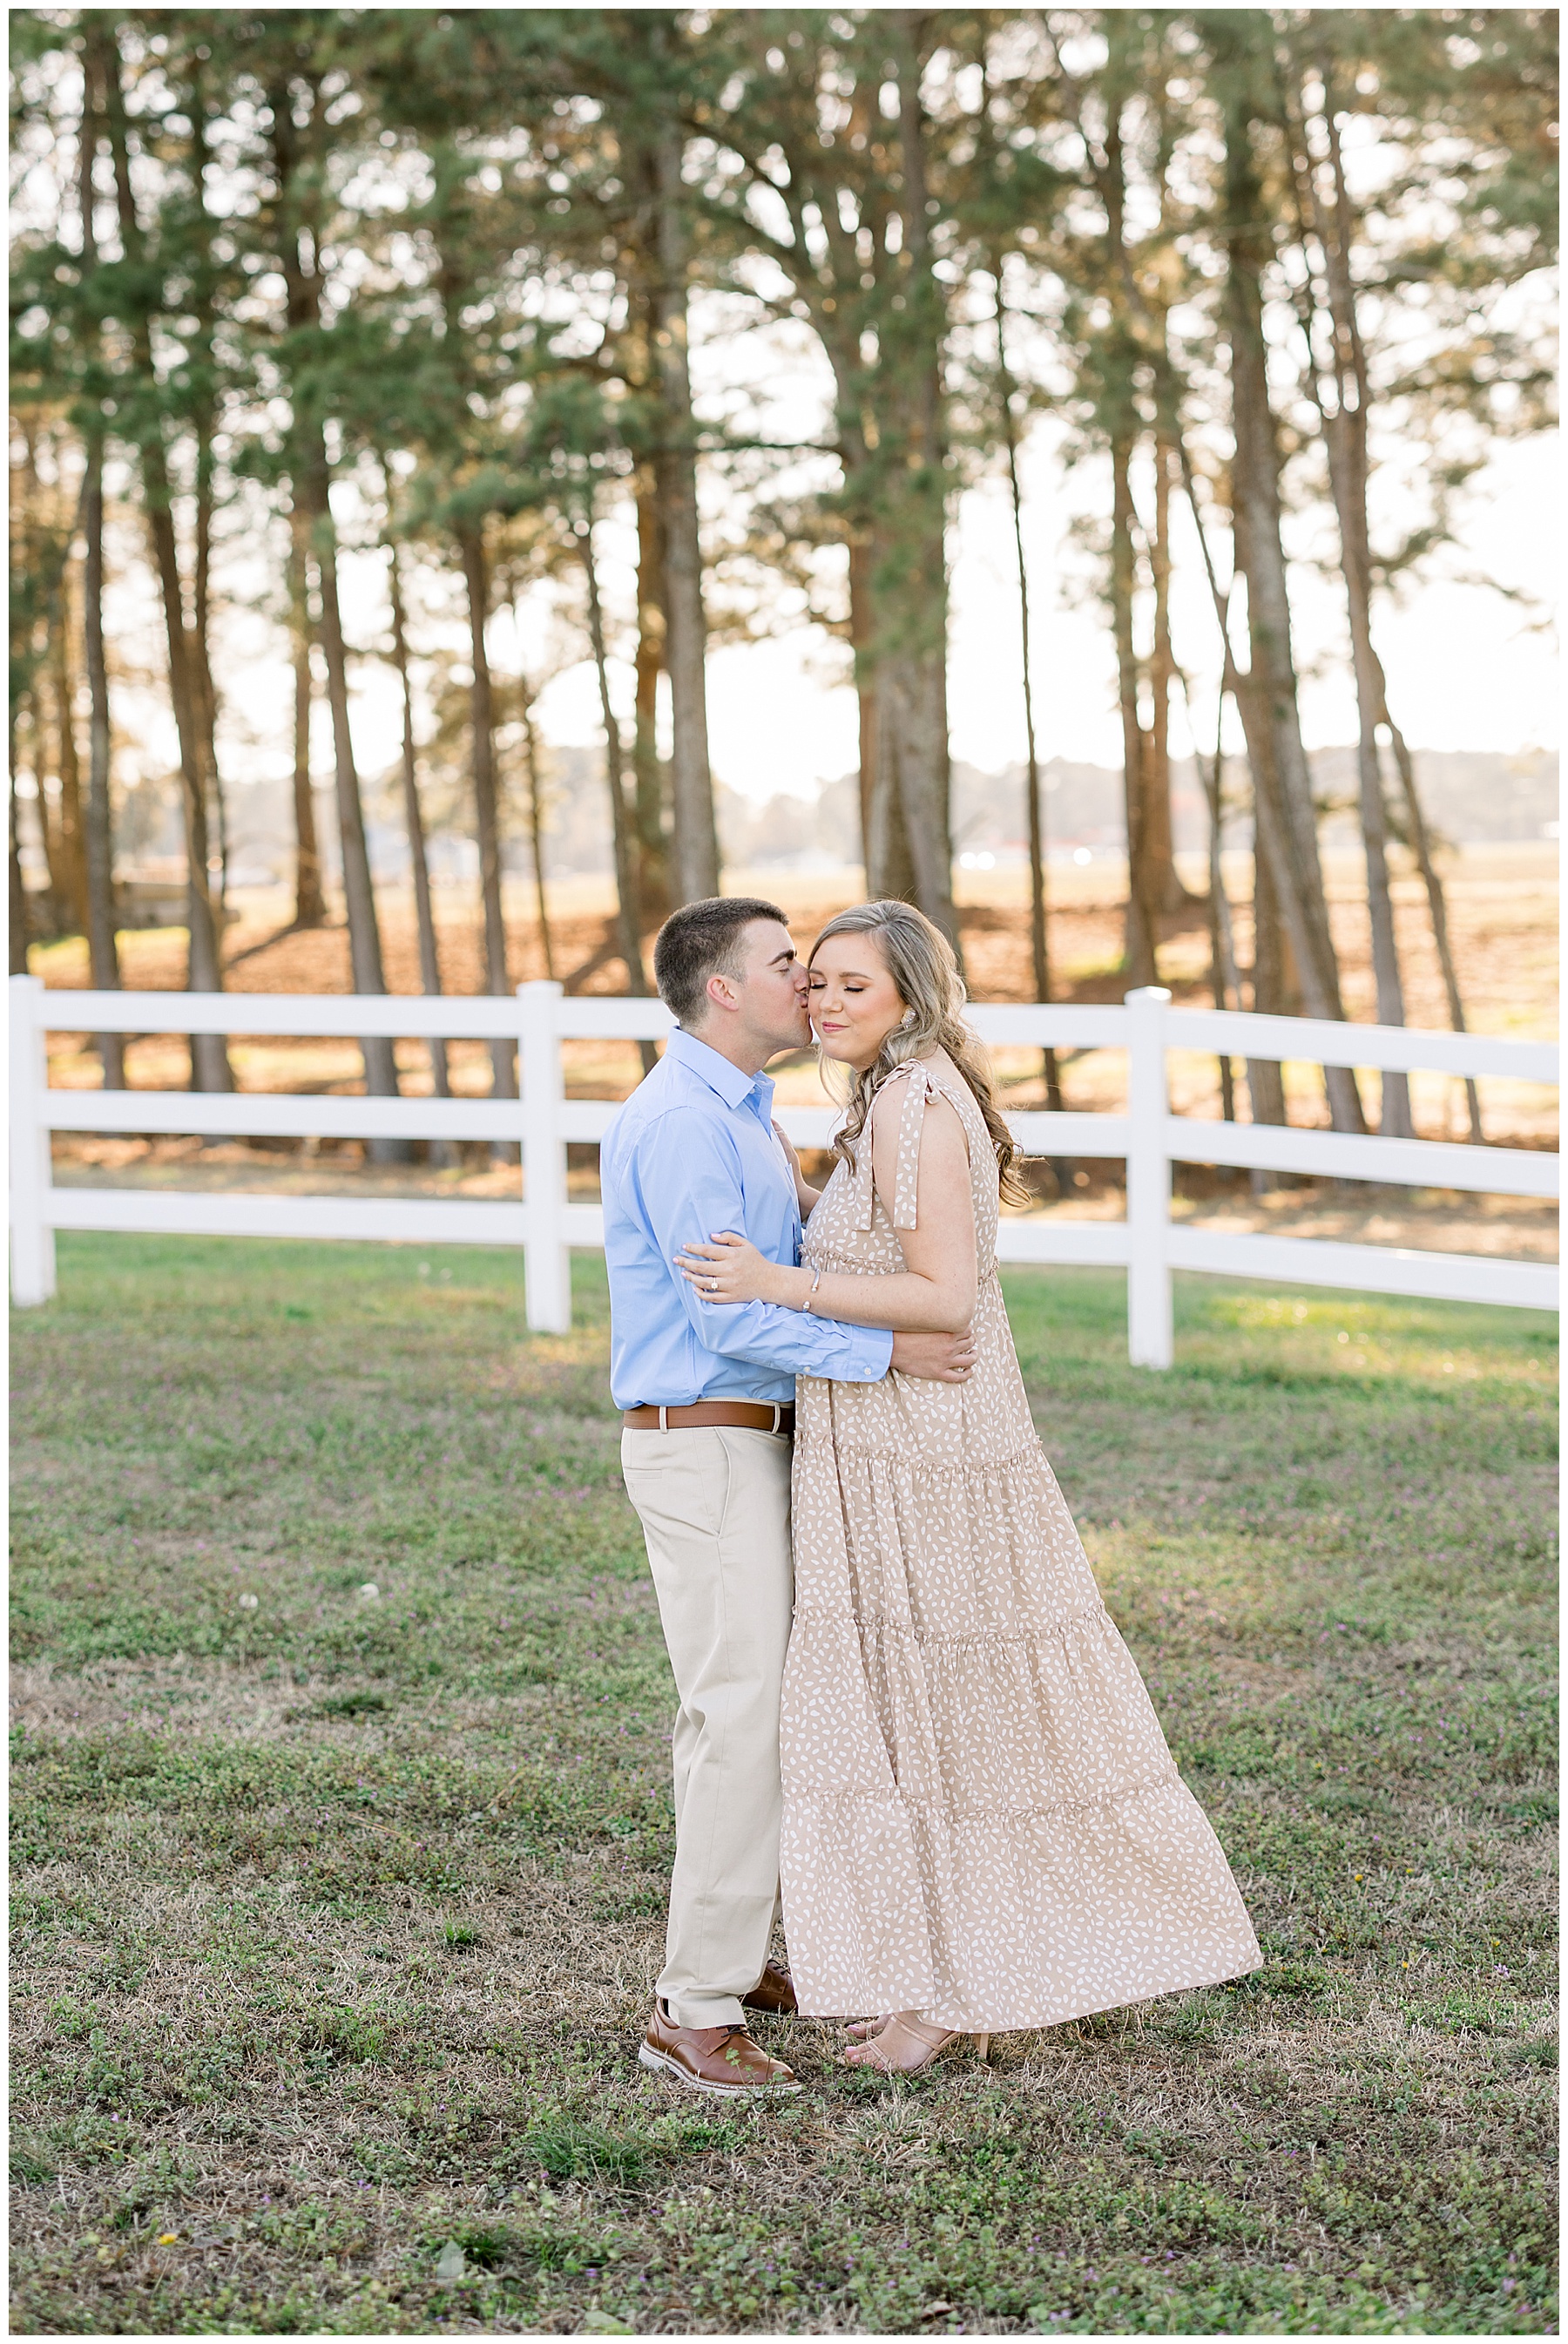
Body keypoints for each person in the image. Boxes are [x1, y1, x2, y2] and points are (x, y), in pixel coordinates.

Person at [675, 899, 1261, 2075]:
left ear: (912, 994)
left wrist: (776, 1283)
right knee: (924, 1716)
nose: (825, 1002)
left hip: (924, 1449)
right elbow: (890, 1254)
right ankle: (946, 1977)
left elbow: (943, 1298)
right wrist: (801, 1216)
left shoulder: (913, 1101)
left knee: (944, 1715)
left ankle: (950, 1992)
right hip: (888, 1435)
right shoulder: (891, 1097)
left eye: (853, 985)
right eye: (816, 981)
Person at [600, 896, 977, 2099]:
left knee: (744, 1712)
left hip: (757, 1442)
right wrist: (888, 1352)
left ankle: (729, 1948)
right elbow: (729, 1315)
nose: (805, 986)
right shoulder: (682, 1125)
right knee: (741, 1717)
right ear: (724, 989)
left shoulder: (744, 1114)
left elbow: (792, 1265)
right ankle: (694, 2008)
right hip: (706, 1443)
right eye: (784, 967)